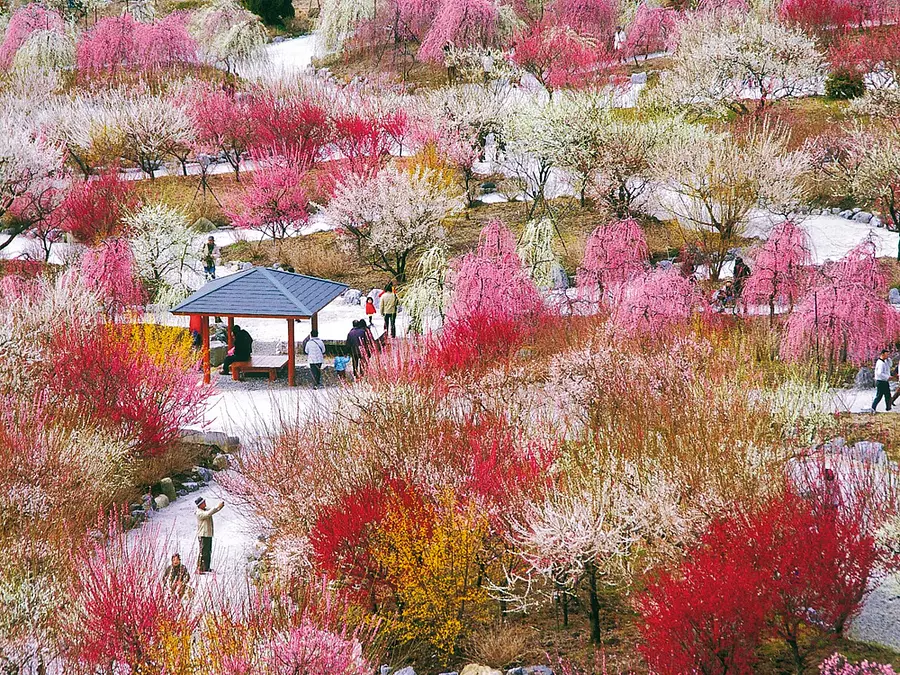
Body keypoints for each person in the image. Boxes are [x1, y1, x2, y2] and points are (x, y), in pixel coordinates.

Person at [195, 497, 224, 574]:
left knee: (208, 551)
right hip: (203, 535)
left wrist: (220, 507)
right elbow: (208, 514)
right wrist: (217, 507)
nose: (205, 503)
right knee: (203, 552)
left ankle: (206, 567)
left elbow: (213, 511)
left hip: (208, 534)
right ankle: (199, 568)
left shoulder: (206, 509)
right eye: (203, 502)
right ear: (200, 504)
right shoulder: (199, 512)